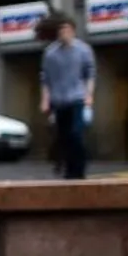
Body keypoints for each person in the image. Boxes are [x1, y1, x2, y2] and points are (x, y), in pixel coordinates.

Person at [40, 18, 96, 179]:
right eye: (61, 31)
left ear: (73, 31)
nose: (63, 34)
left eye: (66, 30)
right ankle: (67, 169)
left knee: (76, 134)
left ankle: (79, 169)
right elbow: (45, 79)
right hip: (59, 100)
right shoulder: (50, 53)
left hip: (77, 98)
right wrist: (45, 99)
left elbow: (90, 74)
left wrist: (89, 95)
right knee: (63, 136)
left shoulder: (83, 50)